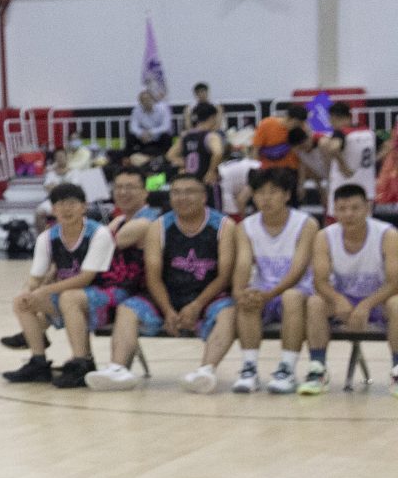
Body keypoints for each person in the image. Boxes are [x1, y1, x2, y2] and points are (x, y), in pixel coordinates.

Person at [134, 172, 245, 395]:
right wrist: (167, 310)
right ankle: (118, 369)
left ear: (204, 197)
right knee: (128, 309)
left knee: (229, 313)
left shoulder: (224, 226)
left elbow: (224, 275)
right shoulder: (158, 226)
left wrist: (196, 305)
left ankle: (206, 370)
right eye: (176, 192)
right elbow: (153, 276)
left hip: (210, 295)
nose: (182, 197)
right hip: (169, 295)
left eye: (189, 192)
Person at [3, 184, 112, 388]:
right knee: (22, 302)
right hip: (68, 295)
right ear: (53, 209)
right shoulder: (47, 238)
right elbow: (35, 277)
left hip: (107, 295)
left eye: (72, 203)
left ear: (84, 207)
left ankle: (82, 363)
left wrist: (45, 290)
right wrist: (28, 291)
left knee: (68, 298)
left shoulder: (99, 233)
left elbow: (86, 278)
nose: (66, 209)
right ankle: (38, 363)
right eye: (60, 204)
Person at [233, 167, 318, 395]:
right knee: (247, 298)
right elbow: (242, 264)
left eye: (273, 192)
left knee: (291, 297)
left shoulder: (306, 224)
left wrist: (269, 294)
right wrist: (240, 292)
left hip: (299, 290)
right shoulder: (245, 227)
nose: (266, 198)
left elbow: (298, 269)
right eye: (260, 192)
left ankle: (287, 369)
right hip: (264, 291)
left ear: (287, 195)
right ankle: (249, 369)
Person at [77, 172, 165, 391]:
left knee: (71, 297)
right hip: (122, 287)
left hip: (143, 291)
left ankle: (86, 362)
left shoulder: (146, 221)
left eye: (130, 187)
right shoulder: (120, 220)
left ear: (145, 192)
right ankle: (56, 357)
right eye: (119, 187)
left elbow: (97, 249)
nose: (123, 192)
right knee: (60, 292)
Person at [310, 182, 396, 394]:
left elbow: (395, 282)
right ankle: (317, 369)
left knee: (397, 304)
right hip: (342, 302)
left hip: (378, 301)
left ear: (367, 208)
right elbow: (319, 281)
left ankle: (397, 370)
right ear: (334, 211)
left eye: (355, 208)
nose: (348, 214)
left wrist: (366, 305)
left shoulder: (388, 235)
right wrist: (339, 300)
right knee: (315, 303)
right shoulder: (324, 237)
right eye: (342, 209)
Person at [250, 100, 307, 192]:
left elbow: (302, 157)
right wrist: (255, 173)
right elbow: (256, 150)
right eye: (296, 124)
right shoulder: (267, 125)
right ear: (289, 118)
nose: (297, 127)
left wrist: (301, 183)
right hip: (269, 171)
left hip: (290, 171)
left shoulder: (298, 131)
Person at [322, 103, 377, 197]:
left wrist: (343, 166)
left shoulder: (341, 132)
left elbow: (333, 148)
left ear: (334, 118)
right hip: (366, 183)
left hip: (344, 182)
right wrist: (375, 159)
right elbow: (388, 145)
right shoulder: (368, 131)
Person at [123, 88, 174, 169]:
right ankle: (128, 158)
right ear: (140, 102)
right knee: (130, 136)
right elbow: (133, 127)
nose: (146, 102)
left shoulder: (163, 109)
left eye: (148, 99)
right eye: (143, 100)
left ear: (153, 99)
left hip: (158, 138)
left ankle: (166, 158)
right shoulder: (136, 110)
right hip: (143, 139)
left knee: (166, 136)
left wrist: (151, 132)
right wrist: (141, 133)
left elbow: (166, 126)